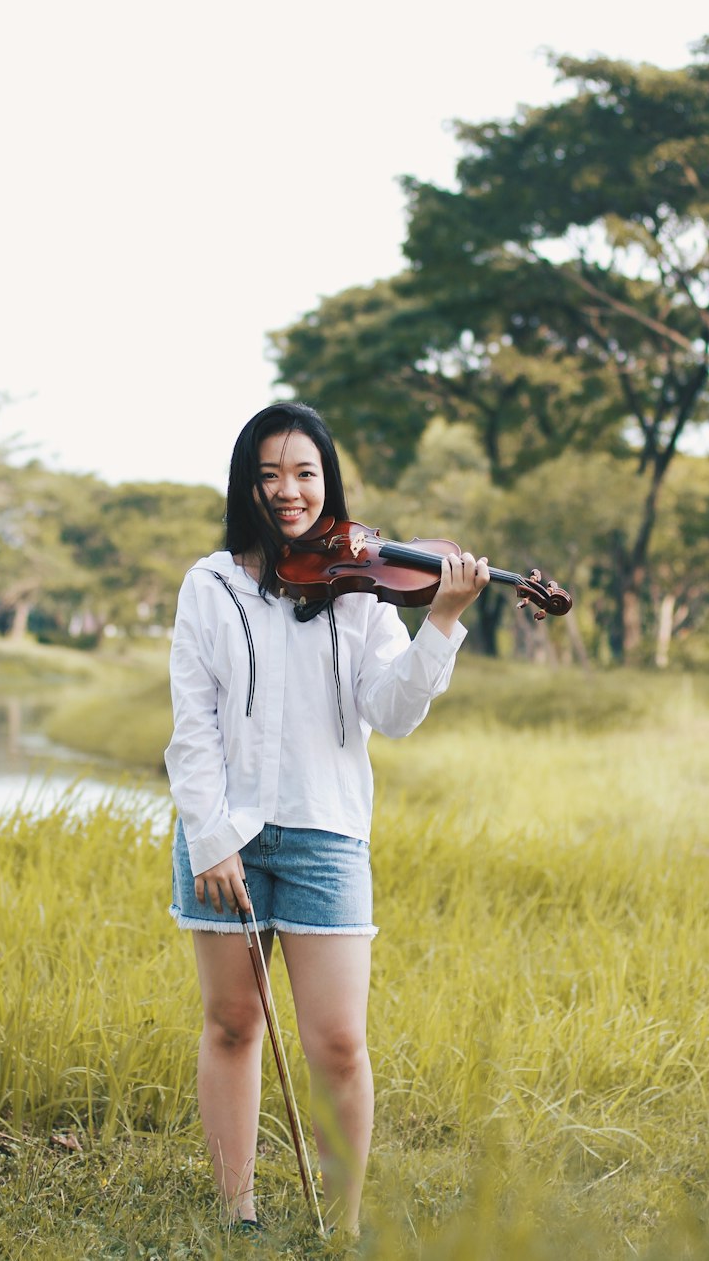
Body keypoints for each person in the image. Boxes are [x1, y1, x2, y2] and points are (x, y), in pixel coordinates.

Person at [164, 402, 489, 1235]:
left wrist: (441, 622)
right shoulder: (210, 586)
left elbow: (394, 710)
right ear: (246, 483)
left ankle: (339, 1227)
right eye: (269, 474)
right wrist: (211, 838)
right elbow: (192, 726)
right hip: (225, 834)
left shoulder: (362, 588)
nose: (288, 491)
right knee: (234, 1024)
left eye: (304, 472)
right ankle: (236, 1214)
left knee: (338, 1044)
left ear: (327, 481)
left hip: (326, 834)